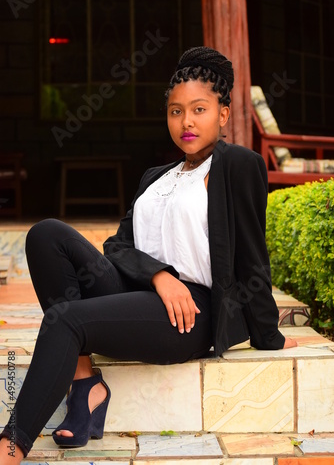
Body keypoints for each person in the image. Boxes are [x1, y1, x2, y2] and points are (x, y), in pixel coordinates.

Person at [0, 46, 297, 464]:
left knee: (64, 318)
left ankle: (10, 448)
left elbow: (252, 256)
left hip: (189, 315)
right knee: (46, 235)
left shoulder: (237, 166)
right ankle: (85, 384)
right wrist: (159, 275)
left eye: (199, 109)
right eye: (176, 112)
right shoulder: (155, 177)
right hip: (145, 290)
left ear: (224, 114)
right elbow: (118, 246)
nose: (186, 122)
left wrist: (270, 337)